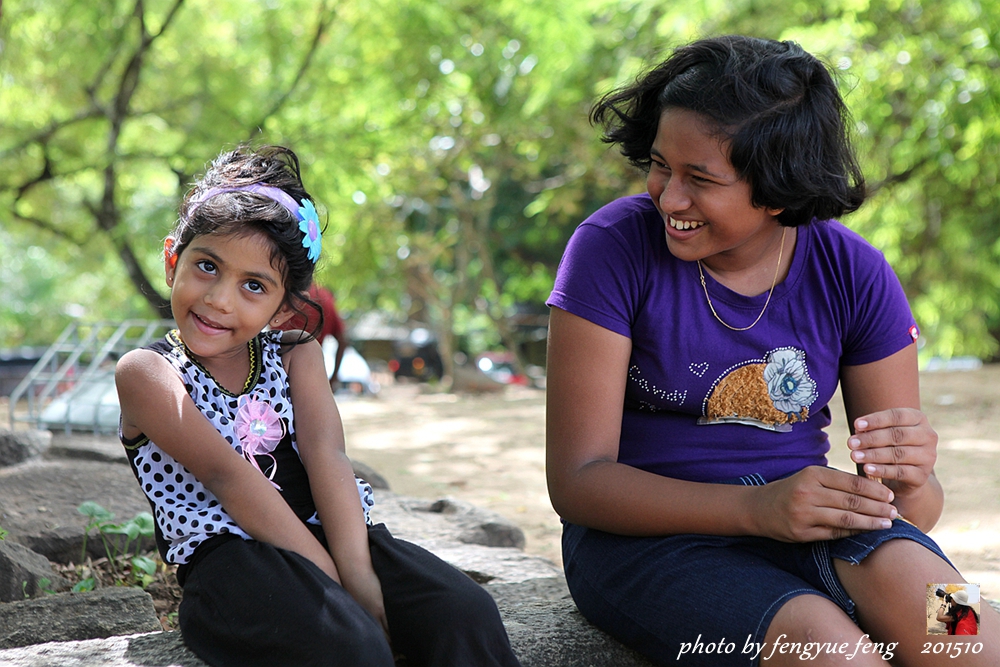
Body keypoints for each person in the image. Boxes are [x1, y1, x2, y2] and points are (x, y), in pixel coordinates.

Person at [545, 35, 999, 666]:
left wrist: (908, 478)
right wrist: (756, 509)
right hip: (648, 541)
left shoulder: (854, 273)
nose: (669, 197)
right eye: (660, 165)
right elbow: (577, 482)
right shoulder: (611, 250)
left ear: (778, 189)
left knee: (971, 638)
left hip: (816, 521)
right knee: (836, 654)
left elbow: (911, 511)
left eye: (700, 179)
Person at [116, 145, 521, 667]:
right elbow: (228, 478)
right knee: (349, 646)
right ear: (173, 260)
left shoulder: (296, 355)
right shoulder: (150, 373)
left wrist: (358, 573)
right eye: (208, 266)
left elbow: (327, 455)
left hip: (333, 534)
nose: (219, 299)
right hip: (235, 567)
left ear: (283, 307)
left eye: (254, 286)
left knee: (465, 614)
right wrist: (333, 584)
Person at [277, 282, 350, 390]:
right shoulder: (325, 297)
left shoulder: (282, 291)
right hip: (312, 378)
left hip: (279, 378)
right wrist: (333, 379)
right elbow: (343, 341)